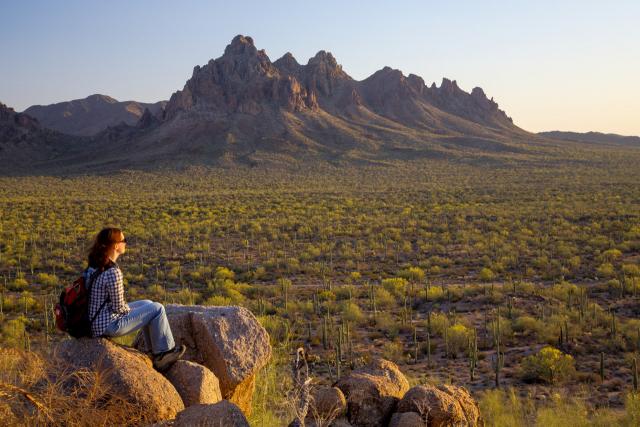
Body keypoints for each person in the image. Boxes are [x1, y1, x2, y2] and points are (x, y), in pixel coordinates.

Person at [86, 227, 185, 371]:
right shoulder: (113, 272)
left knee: (147, 304)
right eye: (124, 240)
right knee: (157, 308)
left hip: (95, 321)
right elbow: (119, 308)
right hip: (108, 325)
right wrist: (131, 310)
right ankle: (164, 353)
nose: (126, 243)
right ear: (115, 246)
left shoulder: (94, 266)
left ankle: (154, 352)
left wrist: (137, 310)